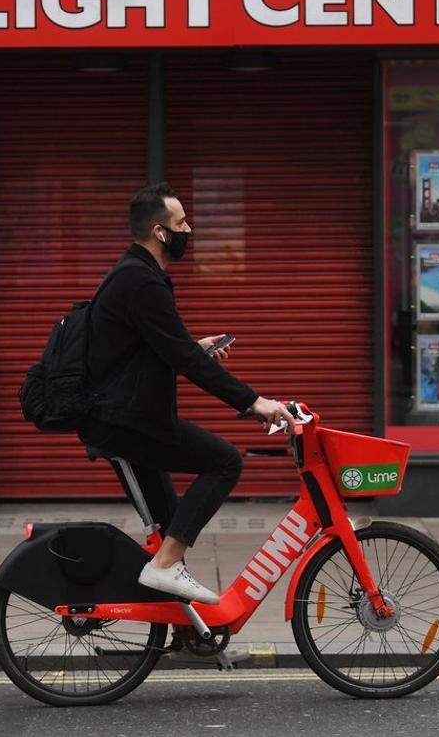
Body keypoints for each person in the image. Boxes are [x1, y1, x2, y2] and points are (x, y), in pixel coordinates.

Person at [80, 183, 296, 604]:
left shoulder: (136, 274)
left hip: (124, 418)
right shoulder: (142, 282)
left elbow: (155, 349)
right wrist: (255, 403)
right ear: (160, 232)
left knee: (169, 525)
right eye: (181, 223)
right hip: (124, 423)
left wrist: (192, 348)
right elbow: (183, 362)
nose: (189, 230)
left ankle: (183, 628)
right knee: (224, 462)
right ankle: (163, 566)